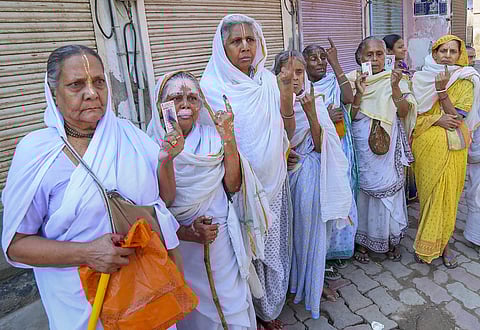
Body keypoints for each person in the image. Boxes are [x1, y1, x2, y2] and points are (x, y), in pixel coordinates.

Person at [1, 45, 183, 329]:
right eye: (76, 84)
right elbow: (16, 247)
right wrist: (87, 252)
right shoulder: (36, 152)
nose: (92, 93)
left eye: (98, 81)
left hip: (146, 294)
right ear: (53, 95)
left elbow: (165, 201)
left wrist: (166, 161)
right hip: (82, 305)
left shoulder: (129, 135)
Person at [148, 71, 273, 330]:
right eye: (175, 98)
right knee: (193, 307)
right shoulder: (149, 144)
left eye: (192, 98)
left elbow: (233, 185)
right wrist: (167, 159)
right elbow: (164, 201)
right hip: (180, 243)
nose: (185, 104)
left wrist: (228, 137)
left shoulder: (212, 136)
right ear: (161, 106)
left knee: (230, 301)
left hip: (220, 240)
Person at [200, 14, 294, 329]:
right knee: (249, 251)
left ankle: (271, 305)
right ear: (222, 47)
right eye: (236, 41)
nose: (245, 47)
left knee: (273, 245)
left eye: (250, 40)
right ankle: (254, 310)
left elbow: (281, 127)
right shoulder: (210, 88)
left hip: (275, 180)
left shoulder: (267, 80)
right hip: (238, 187)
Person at [273, 51, 352, 318]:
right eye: (287, 72)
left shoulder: (314, 101)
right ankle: (292, 285)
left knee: (314, 235)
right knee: (290, 236)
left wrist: (311, 114)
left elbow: (320, 146)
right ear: (277, 74)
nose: (294, 79)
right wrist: (283, 153)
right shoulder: (270, 101)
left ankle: (313, 286)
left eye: (299, 73)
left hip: (310, 178)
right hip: (283, 180)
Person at [347, 37, 417, 264]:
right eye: (369, 54)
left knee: (390, 192)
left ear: (385, 56)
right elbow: (349, 118)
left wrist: (395, 88)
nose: (375, 59)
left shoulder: (395, 78)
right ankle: (364, 241)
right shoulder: (350, 80)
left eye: (379, 54)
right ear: (360, 57)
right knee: (363, 193)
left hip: (388, 148)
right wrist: (359, 92)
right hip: (362, 146)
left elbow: (405, 112)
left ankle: (391, 240)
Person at [412, 35, 480, 267]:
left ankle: (445, 244)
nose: (447, 56)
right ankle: (426, 242)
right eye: (443, 51)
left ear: (459, 55)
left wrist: (442, 93)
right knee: (430, 196)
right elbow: (413, 115)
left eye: (453, 51)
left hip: (454, 148)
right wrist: (437, 119)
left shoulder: (466, 79)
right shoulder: (421, 78)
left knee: (448, 197)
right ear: (434, 53)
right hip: (426, 144)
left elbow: (457, 117)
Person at [301, 40, 358, 281]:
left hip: (338, 147)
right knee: (322, 196)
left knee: (340, 192)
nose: (319, 62)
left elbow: (348, 97)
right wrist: (324, 112)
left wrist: (335, 63)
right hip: (315, 151)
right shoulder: (301, 89)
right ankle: (320, 251)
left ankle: (338, 249)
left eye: (322, 57)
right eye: (313, 58)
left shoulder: (333, 82)